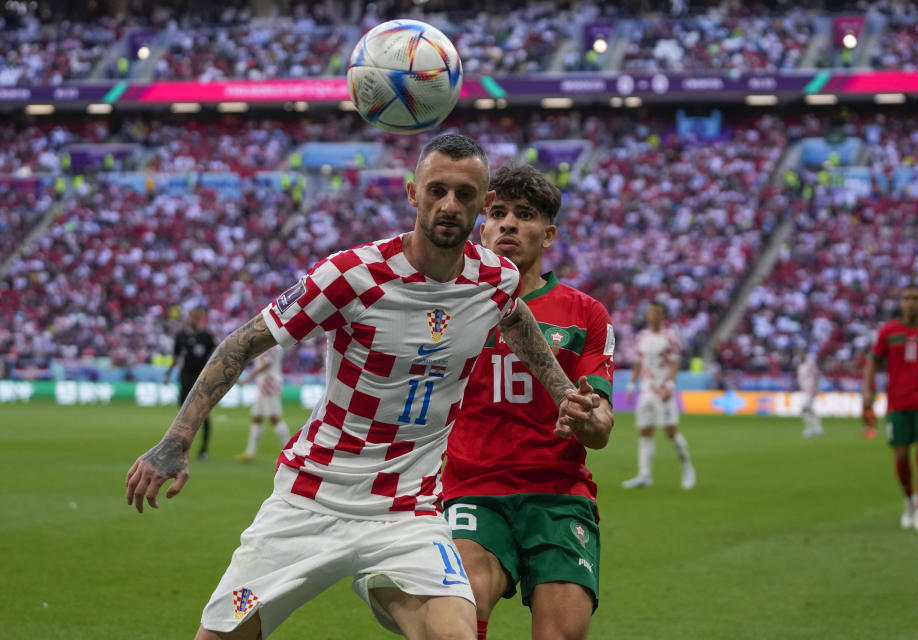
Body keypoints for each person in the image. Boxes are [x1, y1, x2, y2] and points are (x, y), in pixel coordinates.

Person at [125, 134, 599, 640]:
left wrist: (561, 389)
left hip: (408, 512)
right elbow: (241, 344)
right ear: (412, 193)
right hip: (311, 499)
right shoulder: (351, 275)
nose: (449, 205)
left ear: (482, 205)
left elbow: (518, 321)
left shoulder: (493, 280)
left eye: (464, 195)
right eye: (437, 190)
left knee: (455, 634)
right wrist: (175, 441)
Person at [442, 165, 614, 640]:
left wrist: (586, 417)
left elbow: (600, 428)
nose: (508, 224)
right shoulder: (450, 306)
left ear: (549, 233)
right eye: (497, 213)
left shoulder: (585, 314)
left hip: (558, 497)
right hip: (473, 489)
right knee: (464, 605)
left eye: (525, 214)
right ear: (483, 226)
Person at [862, 284, 918, 531]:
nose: (910, 302)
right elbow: (872, 362)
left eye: (915, 298)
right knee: (901, 456)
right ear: (900, 303)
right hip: (897, 403)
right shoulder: (888, 331)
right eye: (906, 298)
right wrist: (867, 391)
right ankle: (909, 500)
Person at [622, 302, 695, 490]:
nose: (653, 315)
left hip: (663, 390)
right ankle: (644, 475)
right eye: (651, 312)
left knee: (670, 432)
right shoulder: (642, 337)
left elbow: (674, 363)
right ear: (647, 315)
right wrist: (631, 383)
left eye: (657, 312)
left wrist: (670, 385)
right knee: (644, 432)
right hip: (646, 391)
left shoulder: (670, 337)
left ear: (663, 316)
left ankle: (687, 468)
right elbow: (639, 362)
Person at [164, 307, 217, 460]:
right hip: (186, 378)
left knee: (204, 414)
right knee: (183, 415)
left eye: (196, 317)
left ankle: (203, 450)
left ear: (200, 318)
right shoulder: (181, 336)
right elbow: (176, 357)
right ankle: (181, 449)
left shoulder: (207, 336)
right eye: (191, 316)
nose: (193, 319)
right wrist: (168, 374)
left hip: (202, 379)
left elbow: (216, 357)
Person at [234, 346, 291, 462]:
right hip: (265, 384)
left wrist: (248, 378)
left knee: (274, 418)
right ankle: (250, 453)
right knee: (257, 417)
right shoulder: (274, 344)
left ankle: (290, 453)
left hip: (269, 384)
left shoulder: (271, 345)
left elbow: (266, 363)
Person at [798, 351, 823, 438]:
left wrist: (816, 387)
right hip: (804, 390)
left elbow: (817, 375)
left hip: (811, 390)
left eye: (801, 354)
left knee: (804, 408)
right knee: (810, 410)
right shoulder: (801, 366)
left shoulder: (810, 365)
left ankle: (811, 428)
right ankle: (817, 429)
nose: (800, 356)